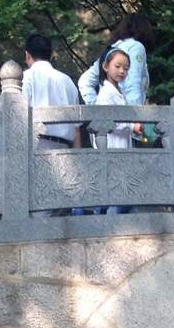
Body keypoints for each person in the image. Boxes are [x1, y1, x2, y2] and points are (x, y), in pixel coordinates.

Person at [91, 47, 139, 213]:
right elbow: (108, 121)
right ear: (106, 66)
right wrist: (132, 126)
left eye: (126, 68)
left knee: (118, 192)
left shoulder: (120, 92)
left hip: (121, 149)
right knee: (114, 194)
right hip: (111, 149)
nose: (122, 71)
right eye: (117, 66)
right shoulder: (105, 94)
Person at [78, 13, 153, 107]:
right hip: (126, 115)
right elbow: (133, 83)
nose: (122, 71)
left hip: (109, 114)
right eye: (118, 66)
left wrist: (95, 107)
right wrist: (136, 117)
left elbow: (85, 81)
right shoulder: (136, 47)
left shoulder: (112, 50)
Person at [23, 33, 81, 149]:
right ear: (50, 54)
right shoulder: (67, 80)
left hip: (37, 146)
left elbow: (19, 115)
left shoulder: (26, 77)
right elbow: (77, 127)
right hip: (65, 148)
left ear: (28, 55)